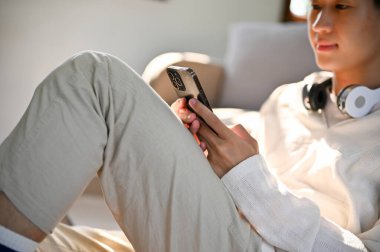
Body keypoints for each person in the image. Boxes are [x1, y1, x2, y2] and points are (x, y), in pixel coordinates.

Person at [1, 0, 379, 251]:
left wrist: (248, 177)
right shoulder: (289, 98)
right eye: (315, 5)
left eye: (342, 6)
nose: (318, 23)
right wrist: (194, 145)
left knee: (95, 78)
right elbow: (242, 159)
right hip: (216, 230)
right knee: (45, 237)